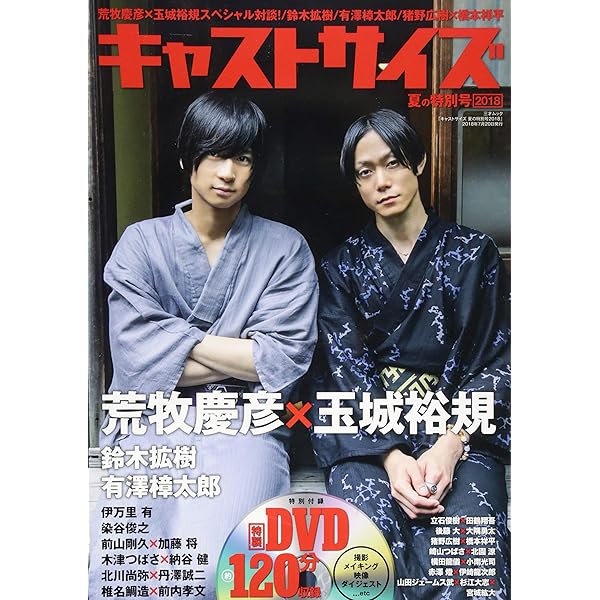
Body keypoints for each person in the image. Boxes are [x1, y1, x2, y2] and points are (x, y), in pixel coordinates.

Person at [89, 92, 318, 600]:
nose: (228, 172)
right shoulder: (140, 243)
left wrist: (169, 343)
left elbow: (282, 359)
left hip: (245, 424)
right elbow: (132, 361)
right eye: (214, 154)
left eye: (243, 158)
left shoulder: (285, 248)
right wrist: (242, 354)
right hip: (147, 420)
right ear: (185, 159)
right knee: (125, 572)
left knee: (217, 563)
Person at [310, 109, 510, 599]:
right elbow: (342, 370)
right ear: (355, 184)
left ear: (418, 162)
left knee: (469, 555)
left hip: (460, 429)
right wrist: (392, 456)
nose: (381, 181)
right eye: (365, 171)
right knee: (363, 551)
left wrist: (451, 444)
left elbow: (496, 358)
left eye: (393, 162)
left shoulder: (474, 253)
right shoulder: (340, 267)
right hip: (369, 439)